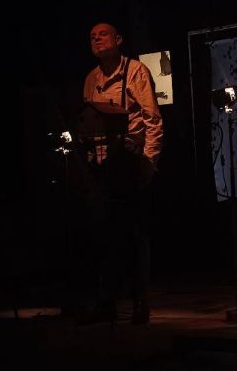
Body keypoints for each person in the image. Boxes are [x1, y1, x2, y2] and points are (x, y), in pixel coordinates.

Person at [78, 22, 163, 324]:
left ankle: (140, 301)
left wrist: (150, 160)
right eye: (92, 36)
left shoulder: (136, 71)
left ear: (118, 39)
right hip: (101, 166)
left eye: (102, 34)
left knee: (135, 233)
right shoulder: (91, 78)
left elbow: (152, 118)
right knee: (104, 233)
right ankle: (107, 300)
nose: (96, 38)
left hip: (128, 161)